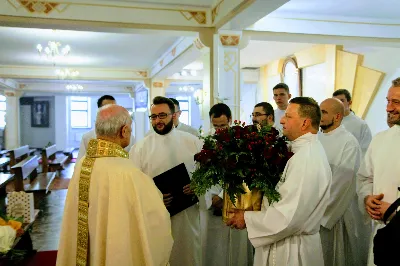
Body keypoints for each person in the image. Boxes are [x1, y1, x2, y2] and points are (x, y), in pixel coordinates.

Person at [56, 104, 173, 266]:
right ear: (123, 131)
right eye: (130, 129)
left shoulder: (83, 165)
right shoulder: (128, 172)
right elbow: (156, 220)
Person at [227, 97, 332, 266]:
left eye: (288, 117)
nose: (282, 120)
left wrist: (247, 218)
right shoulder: (299, 151)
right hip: (284, 243)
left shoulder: (306, 159)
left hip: (294, 251)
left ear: (305, 123)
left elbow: (288, 217)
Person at [130, 96, 203, 266]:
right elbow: (134, 185)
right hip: (154, 215)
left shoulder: (193, 142)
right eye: (154, 117)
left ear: (174, 115)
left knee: (187, 255)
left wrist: (198, 187)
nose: (158, 121)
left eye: (162, 115)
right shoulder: (140, 148)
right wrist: (152, 198)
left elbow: (206, 175)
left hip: (187, 217)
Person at [200, 103, 254, 266]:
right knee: (215, 251)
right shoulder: (205, 141)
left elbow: (246, 174)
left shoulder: (242, 142)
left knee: (236, 252)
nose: (219, 130)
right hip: (213, 204)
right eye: (215, 126)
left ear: (230, 120)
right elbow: (201, 174)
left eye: (223, 125)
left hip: (236, 201)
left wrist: (225, 197)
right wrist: (212, 197)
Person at [357, 78, 400, 266]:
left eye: (396, 102)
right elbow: (365, 178)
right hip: (382, 233)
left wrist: (394, 210)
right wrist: (367, 198)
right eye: (388, 101)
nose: (388, 108)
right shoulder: (380, 140)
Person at [318, 98, 365, 266]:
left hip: (334, 213)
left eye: (324, 112)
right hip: (313, 210)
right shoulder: (316, 138)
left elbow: (343, 182)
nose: (319, 115)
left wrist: (321, 213)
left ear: (337, 117)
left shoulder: (349, 143)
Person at [76, 95, 135, 163]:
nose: (112, 111)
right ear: (99, 110)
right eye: (108, 108)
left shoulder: (128, 137)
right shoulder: (87, 137)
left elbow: (133, 161)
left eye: (114, 107)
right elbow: (80, 163)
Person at [333, 89, 372, 156]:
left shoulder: (361, 125)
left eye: (342, 101)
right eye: (335, 101)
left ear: (350, 102)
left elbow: (365, 151)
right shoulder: (328, 122)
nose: (338, 104)